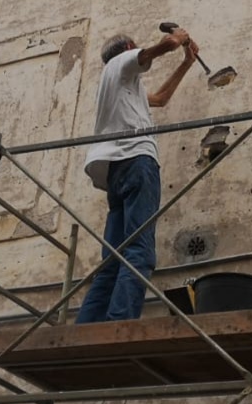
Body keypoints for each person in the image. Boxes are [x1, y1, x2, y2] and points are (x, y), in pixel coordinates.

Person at [76, 28, 199, 322]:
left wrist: (187, 62)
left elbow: (161, 98)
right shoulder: (120, 64)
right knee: (139, 251)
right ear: (129, 47)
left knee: (113, 259)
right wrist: (179, 38)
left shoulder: (122, 84)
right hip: (137, 161)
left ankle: (88, 327)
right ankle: (118, 324)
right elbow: (165, 44)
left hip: (116, 170)